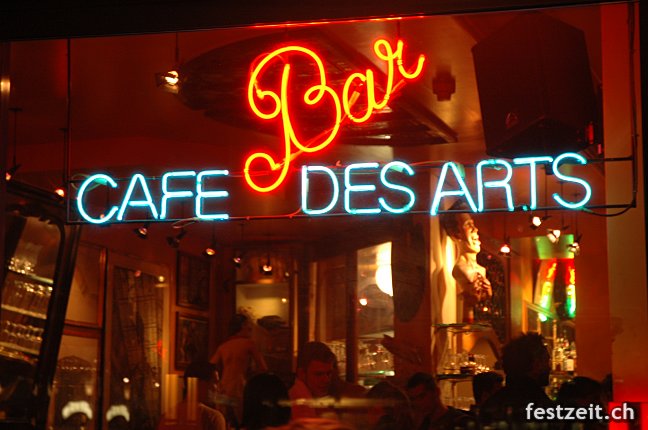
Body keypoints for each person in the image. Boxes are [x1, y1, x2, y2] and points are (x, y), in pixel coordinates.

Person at [480, 332, 554, 425]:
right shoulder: (542, 407)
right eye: (546, 361)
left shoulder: (491, 404)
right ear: (536, 364)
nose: (549, 368)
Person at [439, 201, 492, 324]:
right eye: (468, 225)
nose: (475, 229)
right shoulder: (460, 269)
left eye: (473, 224)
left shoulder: (481, 270)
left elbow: (479, 300)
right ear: (456, 235)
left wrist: (487, 294)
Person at [210, 314, 268, 425]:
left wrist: (216, 384)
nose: (250, 328)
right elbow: (263, 367)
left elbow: (210, 366)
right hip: (239, 389)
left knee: (224, 423)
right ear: (242, 325)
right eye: (248, 325)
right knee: (242, 423)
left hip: (223, 390)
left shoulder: (223, 346)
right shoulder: (248, 344)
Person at [405, 372, 473, 430]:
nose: (418, 403)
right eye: (413, 399)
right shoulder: (424, 424)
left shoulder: (459, 422)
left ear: (436, 392)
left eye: (422, 396)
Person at [289, 341, 337, 420]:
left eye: (329, 373)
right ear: (301, 373)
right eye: (318, 374)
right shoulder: (299, 397)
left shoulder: (312, 395)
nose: (326, 380)